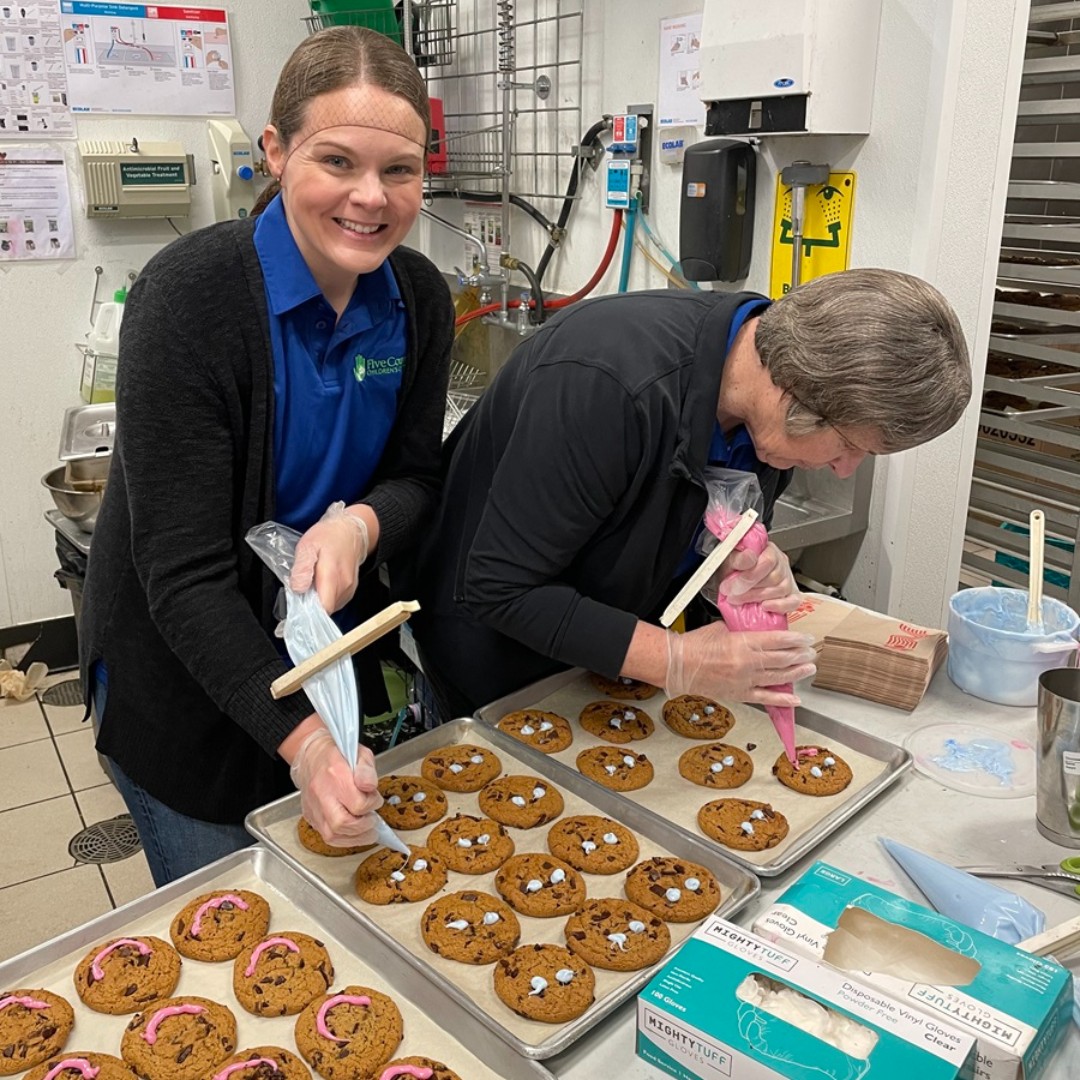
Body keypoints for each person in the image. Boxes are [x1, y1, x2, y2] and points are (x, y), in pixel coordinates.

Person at [79, 26, 454, 886]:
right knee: (239, 924)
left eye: (398, 170)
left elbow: (417, 479)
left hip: (318, 661)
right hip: (184, 674)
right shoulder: (191, 300)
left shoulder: (417, 299)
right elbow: (182, 573)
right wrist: (308, 745)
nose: (371, 198)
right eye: (337, 162)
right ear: (277, 153)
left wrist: (362, 526)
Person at [410, 268, 971, 719]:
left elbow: (687, 520)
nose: (845, 470)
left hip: (599, 658)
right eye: (849, 446)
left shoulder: (765, 407)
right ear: (798, 389)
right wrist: (675, 659)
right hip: (493, 659)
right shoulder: (608, 385)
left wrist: (736, 564)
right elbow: (499, 589)